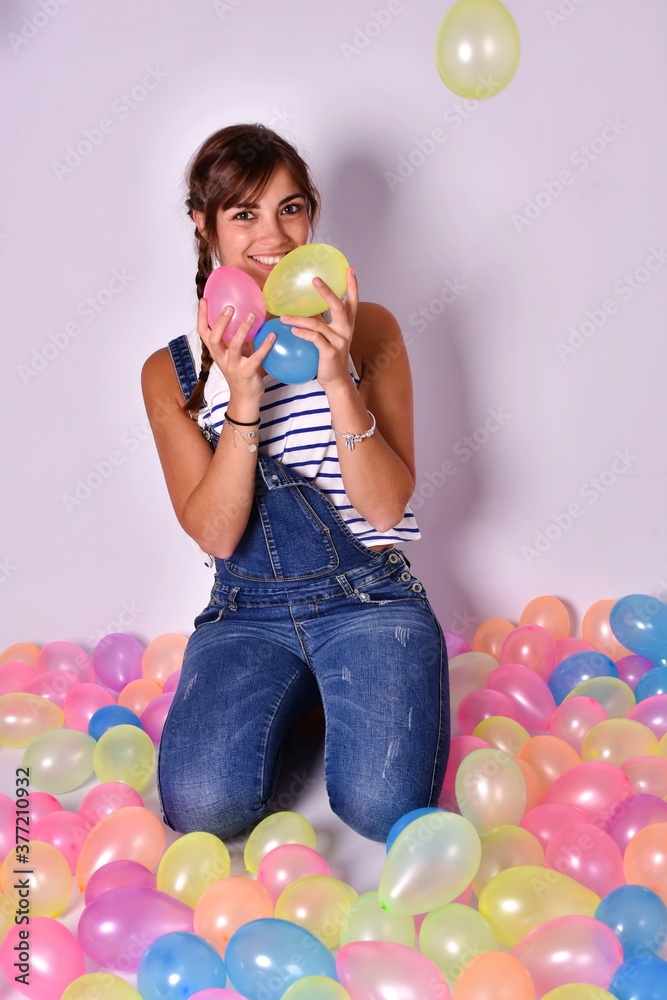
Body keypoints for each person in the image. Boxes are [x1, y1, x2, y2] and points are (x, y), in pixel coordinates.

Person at [142, 123, 450, 843]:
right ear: (203, 225)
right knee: (201, 810)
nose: (273, 234)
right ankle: (307, 692)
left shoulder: (367, 328)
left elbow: (385, 504)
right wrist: (241, 397)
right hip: (246, 612)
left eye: (290, 208)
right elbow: (217, 533)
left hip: (367, 598)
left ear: (310, 213)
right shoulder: (175, 373)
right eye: (243, 213)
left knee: (381, 811)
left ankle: (343, 679)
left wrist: (337, 380)